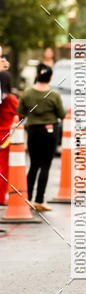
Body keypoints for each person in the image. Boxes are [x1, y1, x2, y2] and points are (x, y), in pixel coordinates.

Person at [17, 65, 65, 212]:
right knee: (45, 166)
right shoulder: (54, 95)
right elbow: (62, 114)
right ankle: (39, 200)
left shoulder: (27, 93)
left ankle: (27, 199)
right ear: (50, 78)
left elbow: (21, 112)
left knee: (33, 165)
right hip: (50, 131)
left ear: (37, 76)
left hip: (33, 131)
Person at [0, 71, 18, 206]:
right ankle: (1, 197)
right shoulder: (11, 99)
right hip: (5, 137)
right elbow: (21, 112)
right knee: (3, 169)